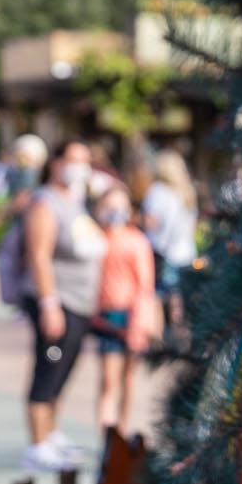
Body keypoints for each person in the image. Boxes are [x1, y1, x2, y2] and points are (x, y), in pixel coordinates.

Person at [21, 139, 103, 472]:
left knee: (64, 369)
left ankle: (52, 433)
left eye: (85, 160)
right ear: (54, 163)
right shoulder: (45, 203)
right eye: (72, 160)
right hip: (59, 301)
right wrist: (49, 304)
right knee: (48, 368)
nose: (79, 167)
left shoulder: (78, 201)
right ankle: (37, 444)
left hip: (81, 303)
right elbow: (39, 257)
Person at [89, 181, 158, 437]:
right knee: (109, 378)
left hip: (131, 316)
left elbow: (145, 286)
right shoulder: (95, 240)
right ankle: (107, 432)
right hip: (106, 316)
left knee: (129, 377)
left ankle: (122, 428)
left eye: (119, 206)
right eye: (109, 206)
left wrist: (140, 323)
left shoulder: (136, 242)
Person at [141, 149, 200, 344]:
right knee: (178, 297)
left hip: (163, 252)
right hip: (186, 252)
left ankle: (157, 338)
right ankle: (180, 335)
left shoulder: (157, 192)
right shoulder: (186, 191)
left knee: (157, 295)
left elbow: (151, 222)